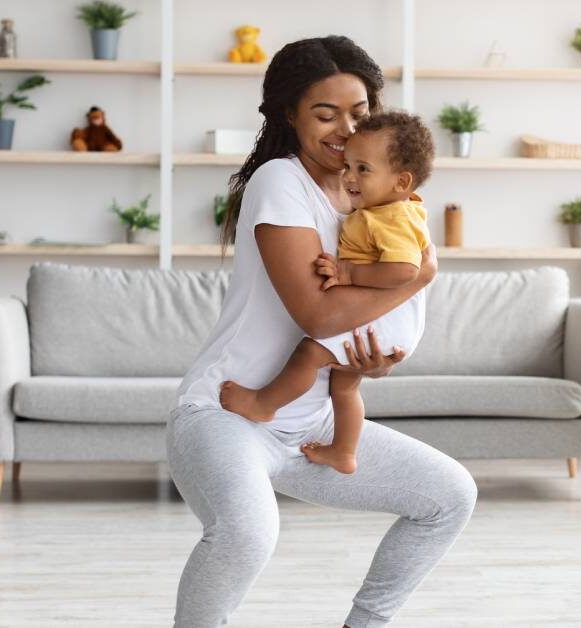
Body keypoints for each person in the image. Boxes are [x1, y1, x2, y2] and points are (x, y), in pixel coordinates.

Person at [168, 35, 477, 628]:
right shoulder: (280, 182)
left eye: (358, 113)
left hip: (313, 423)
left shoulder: (373, 194)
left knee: (449, 496)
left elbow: (357, 320)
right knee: (246, 534)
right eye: (324, 112)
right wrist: (420, 277)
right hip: (226, 415)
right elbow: (318, 315)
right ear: (290, 115)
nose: (343, 128)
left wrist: (371, 364)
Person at [218, 110, 436, 476]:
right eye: (348, 165)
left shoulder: (393, 217)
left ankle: (263, 403)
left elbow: (406, 271)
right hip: (390, 320)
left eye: (362, 169)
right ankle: (344, 451)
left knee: (309, 354)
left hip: (385, 317)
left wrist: (348, 272)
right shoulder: (389, 210)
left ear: (401, 182)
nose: (348, 177)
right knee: (346, 386)